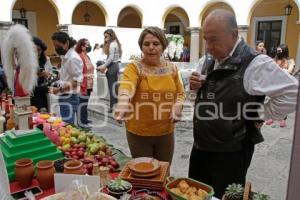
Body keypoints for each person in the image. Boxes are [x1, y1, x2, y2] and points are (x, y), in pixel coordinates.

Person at [189, 9, 298, 198]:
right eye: (205, 39)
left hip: (231, 153)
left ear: (233, 35)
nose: (208, 46)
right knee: (194, 193)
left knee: (226, 196)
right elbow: (194, 98)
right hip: (200, 146)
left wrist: (259, 113)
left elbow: (293, 93)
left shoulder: (256, 63)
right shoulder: (208, 59)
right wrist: (193, 88)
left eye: (213, 40)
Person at [113, 27, 185, 163]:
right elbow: (127, 84)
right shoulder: (134, 67)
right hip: (139, 132)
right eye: (146, 44)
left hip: (166, 132)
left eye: (156, 44)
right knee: (144, 173)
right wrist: (123, 102)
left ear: (163, 46)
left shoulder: (172, 69)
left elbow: (181, 93)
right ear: (141, 47)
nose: (151, 48)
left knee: (164, 172)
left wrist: (178, 105)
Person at [49, 32, 83, 124]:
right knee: (67, 124)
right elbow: (67, 76)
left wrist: (59, 89)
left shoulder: (73, 58)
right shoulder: (66, 56)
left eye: (57, 45)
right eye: (54, 46)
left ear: (66, 43)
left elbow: (77, 82)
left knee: (68, 125)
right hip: (66, 95)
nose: (56, 48)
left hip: (69, 96)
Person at [265, 44, 296, 127]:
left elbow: (289, 72)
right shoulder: (275, 59)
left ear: (285, 51)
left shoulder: (290, 61)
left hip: (286, 85)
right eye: (277, 51)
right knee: (274, 100)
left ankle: (283, 119)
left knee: (284, 102)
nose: (278, 52)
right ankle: (272, 118)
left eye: (279, 51)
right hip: (276, 84)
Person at [97, 29, 122, 113]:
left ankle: (112, 107)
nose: (105, 38)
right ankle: (116, 105)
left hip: (112, 66)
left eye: (106, 36)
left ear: (111, 36)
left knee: (112, 87)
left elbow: (111, 58)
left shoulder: (112, 44)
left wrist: (103, 66)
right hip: (115, 65)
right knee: (114, 87)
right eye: (104, 37)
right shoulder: (115, 43)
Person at [75, 38, 95, 127]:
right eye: (87, 44)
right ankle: (82, 122)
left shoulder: (87, 56)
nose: (89, 46)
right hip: (84, 84)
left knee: (85, 103)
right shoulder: (80, 56)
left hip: (89, 84)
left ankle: (84, 119)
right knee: (82, 103)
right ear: (82, 47)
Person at [31, 37, 54, 111]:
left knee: (43, 112)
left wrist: (46, 74)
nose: (37, 52)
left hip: (41, 91)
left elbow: (51, 75)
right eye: (34, 50)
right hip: (30, 91)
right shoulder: (25, 60)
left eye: (39, 50)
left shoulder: (46, 60)